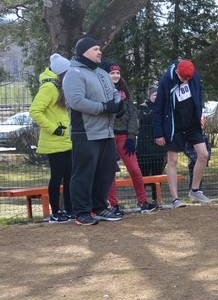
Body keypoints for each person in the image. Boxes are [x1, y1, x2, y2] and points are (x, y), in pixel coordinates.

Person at [63, 37, 124, 225]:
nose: (100, 52)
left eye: (100, 49)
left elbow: (114, 94)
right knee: (83, 174)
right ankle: (81, 212)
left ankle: (99, 207)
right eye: (96, 49)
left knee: (105, 173)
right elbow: (76, 101)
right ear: (84, 51)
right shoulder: (73, 73)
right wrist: (104, 108)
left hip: (106, 132)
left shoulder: (102, 73)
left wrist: (118, 106)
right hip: (86, 133)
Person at [153, 58, 211, 206]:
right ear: (177, 71)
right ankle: (175, 199)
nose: (186, 81)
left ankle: (195, 190)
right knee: (173, 161)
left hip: (192, 123)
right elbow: (158, 106)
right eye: (183, 79)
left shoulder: (193, 75)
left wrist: (200, 115)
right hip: (173, 126)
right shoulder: (166, 80)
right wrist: (158, 133)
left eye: (188, 79)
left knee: (203, 154)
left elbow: (199, 95)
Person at [105, 64, 158, 214]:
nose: (115, 75)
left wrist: (131, 136)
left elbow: (133, 114)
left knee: (135, 170)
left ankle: (143, 202)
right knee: (110, 171)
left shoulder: (125, 92)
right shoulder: (103, 90)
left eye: (117, 73)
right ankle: (114, 205)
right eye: (112, 73)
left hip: (124, 137)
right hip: (109, 136)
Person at [29, 53, 74, 222]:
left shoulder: (61, 86)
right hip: (55, 140)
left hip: (67, 139)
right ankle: (55, 213)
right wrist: (54, 129)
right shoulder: (48, 87)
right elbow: (35, 111)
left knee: (69, 176)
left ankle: (70, 210)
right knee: (57, 177)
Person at [136, 86, 166, 177]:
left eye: (158, 95)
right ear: (149, 96)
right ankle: (143, 191)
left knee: (157, 175)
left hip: (158, 149)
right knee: (143, 176)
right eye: (154, 95)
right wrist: (157, 109)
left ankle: (156, 192)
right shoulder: (143, 107)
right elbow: (146, 119)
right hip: (144, 150)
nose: (156, 97)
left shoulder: (163, 108)